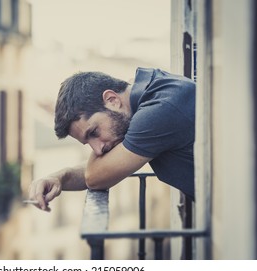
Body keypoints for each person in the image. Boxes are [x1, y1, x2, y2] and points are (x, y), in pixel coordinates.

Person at [28, 67, 196, 212]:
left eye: (93, 132)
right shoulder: (147, 92)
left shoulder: (157, 112)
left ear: (112, 100)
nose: (98, 149)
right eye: (88, 143)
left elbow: (94, 177)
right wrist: (59, 178)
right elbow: (98, 170)